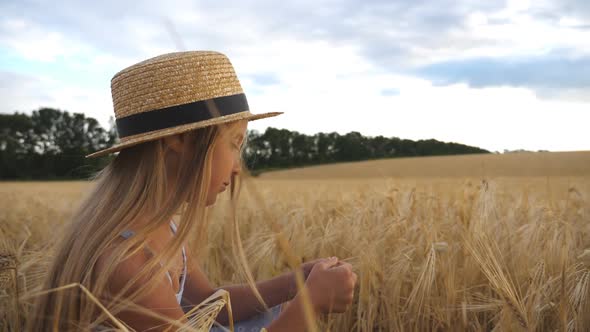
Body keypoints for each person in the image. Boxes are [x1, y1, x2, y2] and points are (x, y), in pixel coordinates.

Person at [27, 51, 357, 331]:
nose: (237, 167)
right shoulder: (128, 263)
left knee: (276, 311)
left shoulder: (162, 226)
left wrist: (295, 284)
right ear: (179, 140)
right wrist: (309, 307)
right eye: (233, 143)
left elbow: (208, 304)